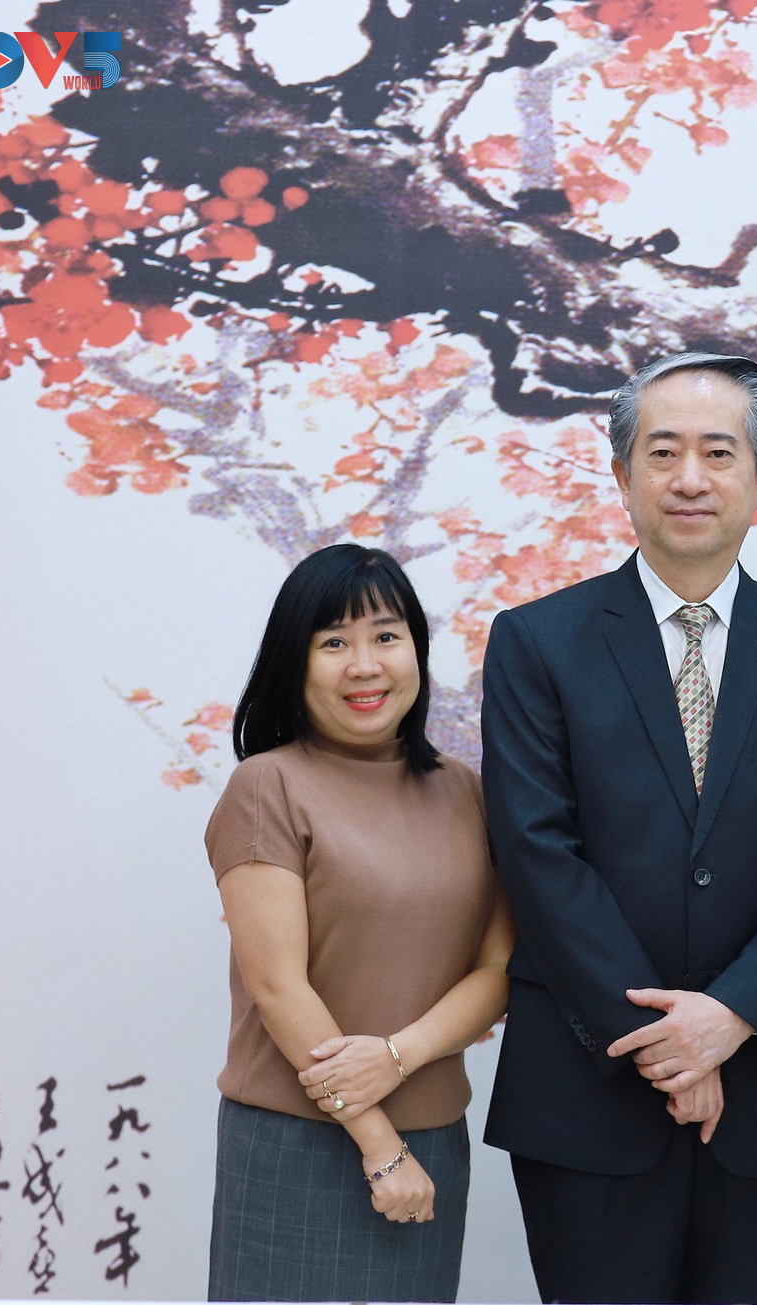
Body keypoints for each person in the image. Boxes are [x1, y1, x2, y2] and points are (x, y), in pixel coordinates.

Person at [480, 352, 757, 1304]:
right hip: (587, 1090)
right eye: (662, 452)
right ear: (622, 472)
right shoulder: (536, 642)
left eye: (718, 451)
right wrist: (664, 1043)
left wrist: (729, 1016)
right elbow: (538, 853)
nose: (690, 477)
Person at [204, 543, 514, 1302]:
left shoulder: (467, 792)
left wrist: (399, 1058)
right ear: (296, 662)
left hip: (431, 1140)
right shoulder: (267, 786)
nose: (365, 665)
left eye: (386, 636)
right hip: (298, 1144)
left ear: (417, 650)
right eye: (334, 643)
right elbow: (278, 986)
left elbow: (499, 969)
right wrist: (378, 1143)